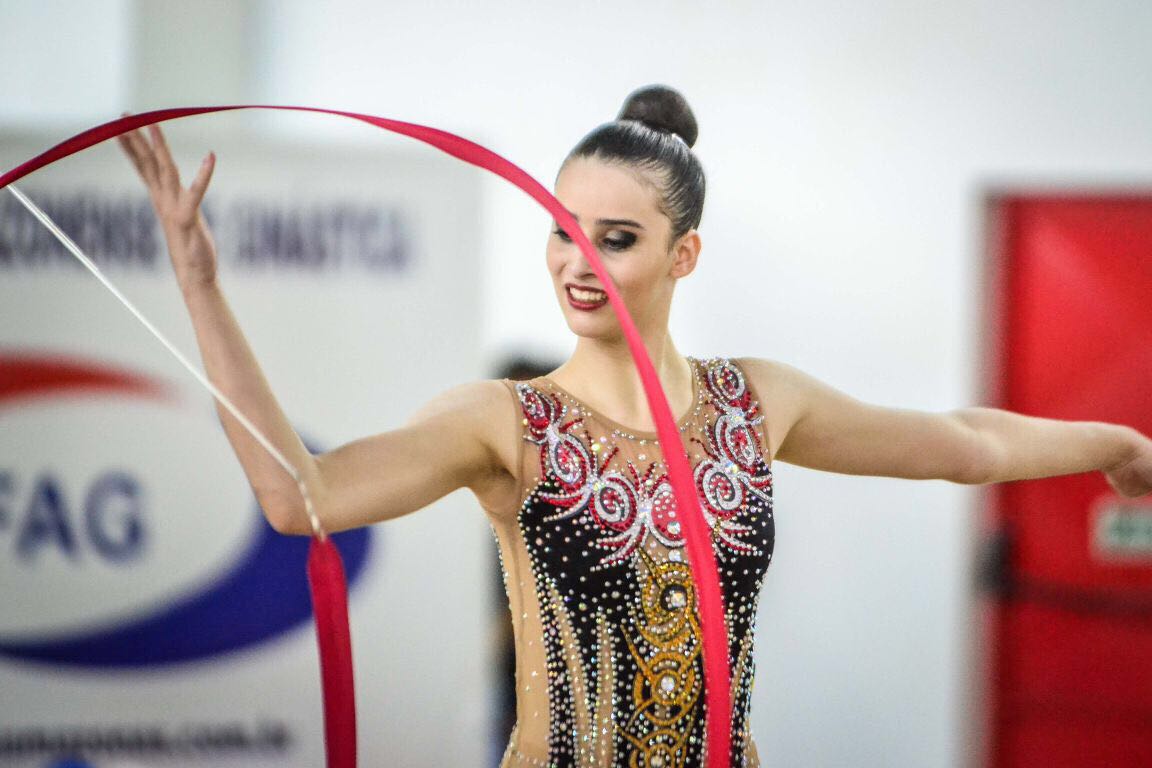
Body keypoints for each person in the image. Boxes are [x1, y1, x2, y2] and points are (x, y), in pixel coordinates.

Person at [117, 85, 1152, 768]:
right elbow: (302, 498)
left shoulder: (755, 403)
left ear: (683, 255)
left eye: (615, 238)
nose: (579, 262)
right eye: (563, 232)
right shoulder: (507, 422)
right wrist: (202, 286)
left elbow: (960, 445)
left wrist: (1113, 444)